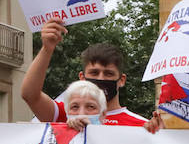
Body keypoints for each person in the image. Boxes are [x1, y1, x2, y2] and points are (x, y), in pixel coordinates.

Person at [22, 28, 150, 128]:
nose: (101, 79)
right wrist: (47, 49)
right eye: (94, 73)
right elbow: (30, 95)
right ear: (82, 78)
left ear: (121, 80)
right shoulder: (66, 113)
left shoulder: (141, 125)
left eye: (108, 74)